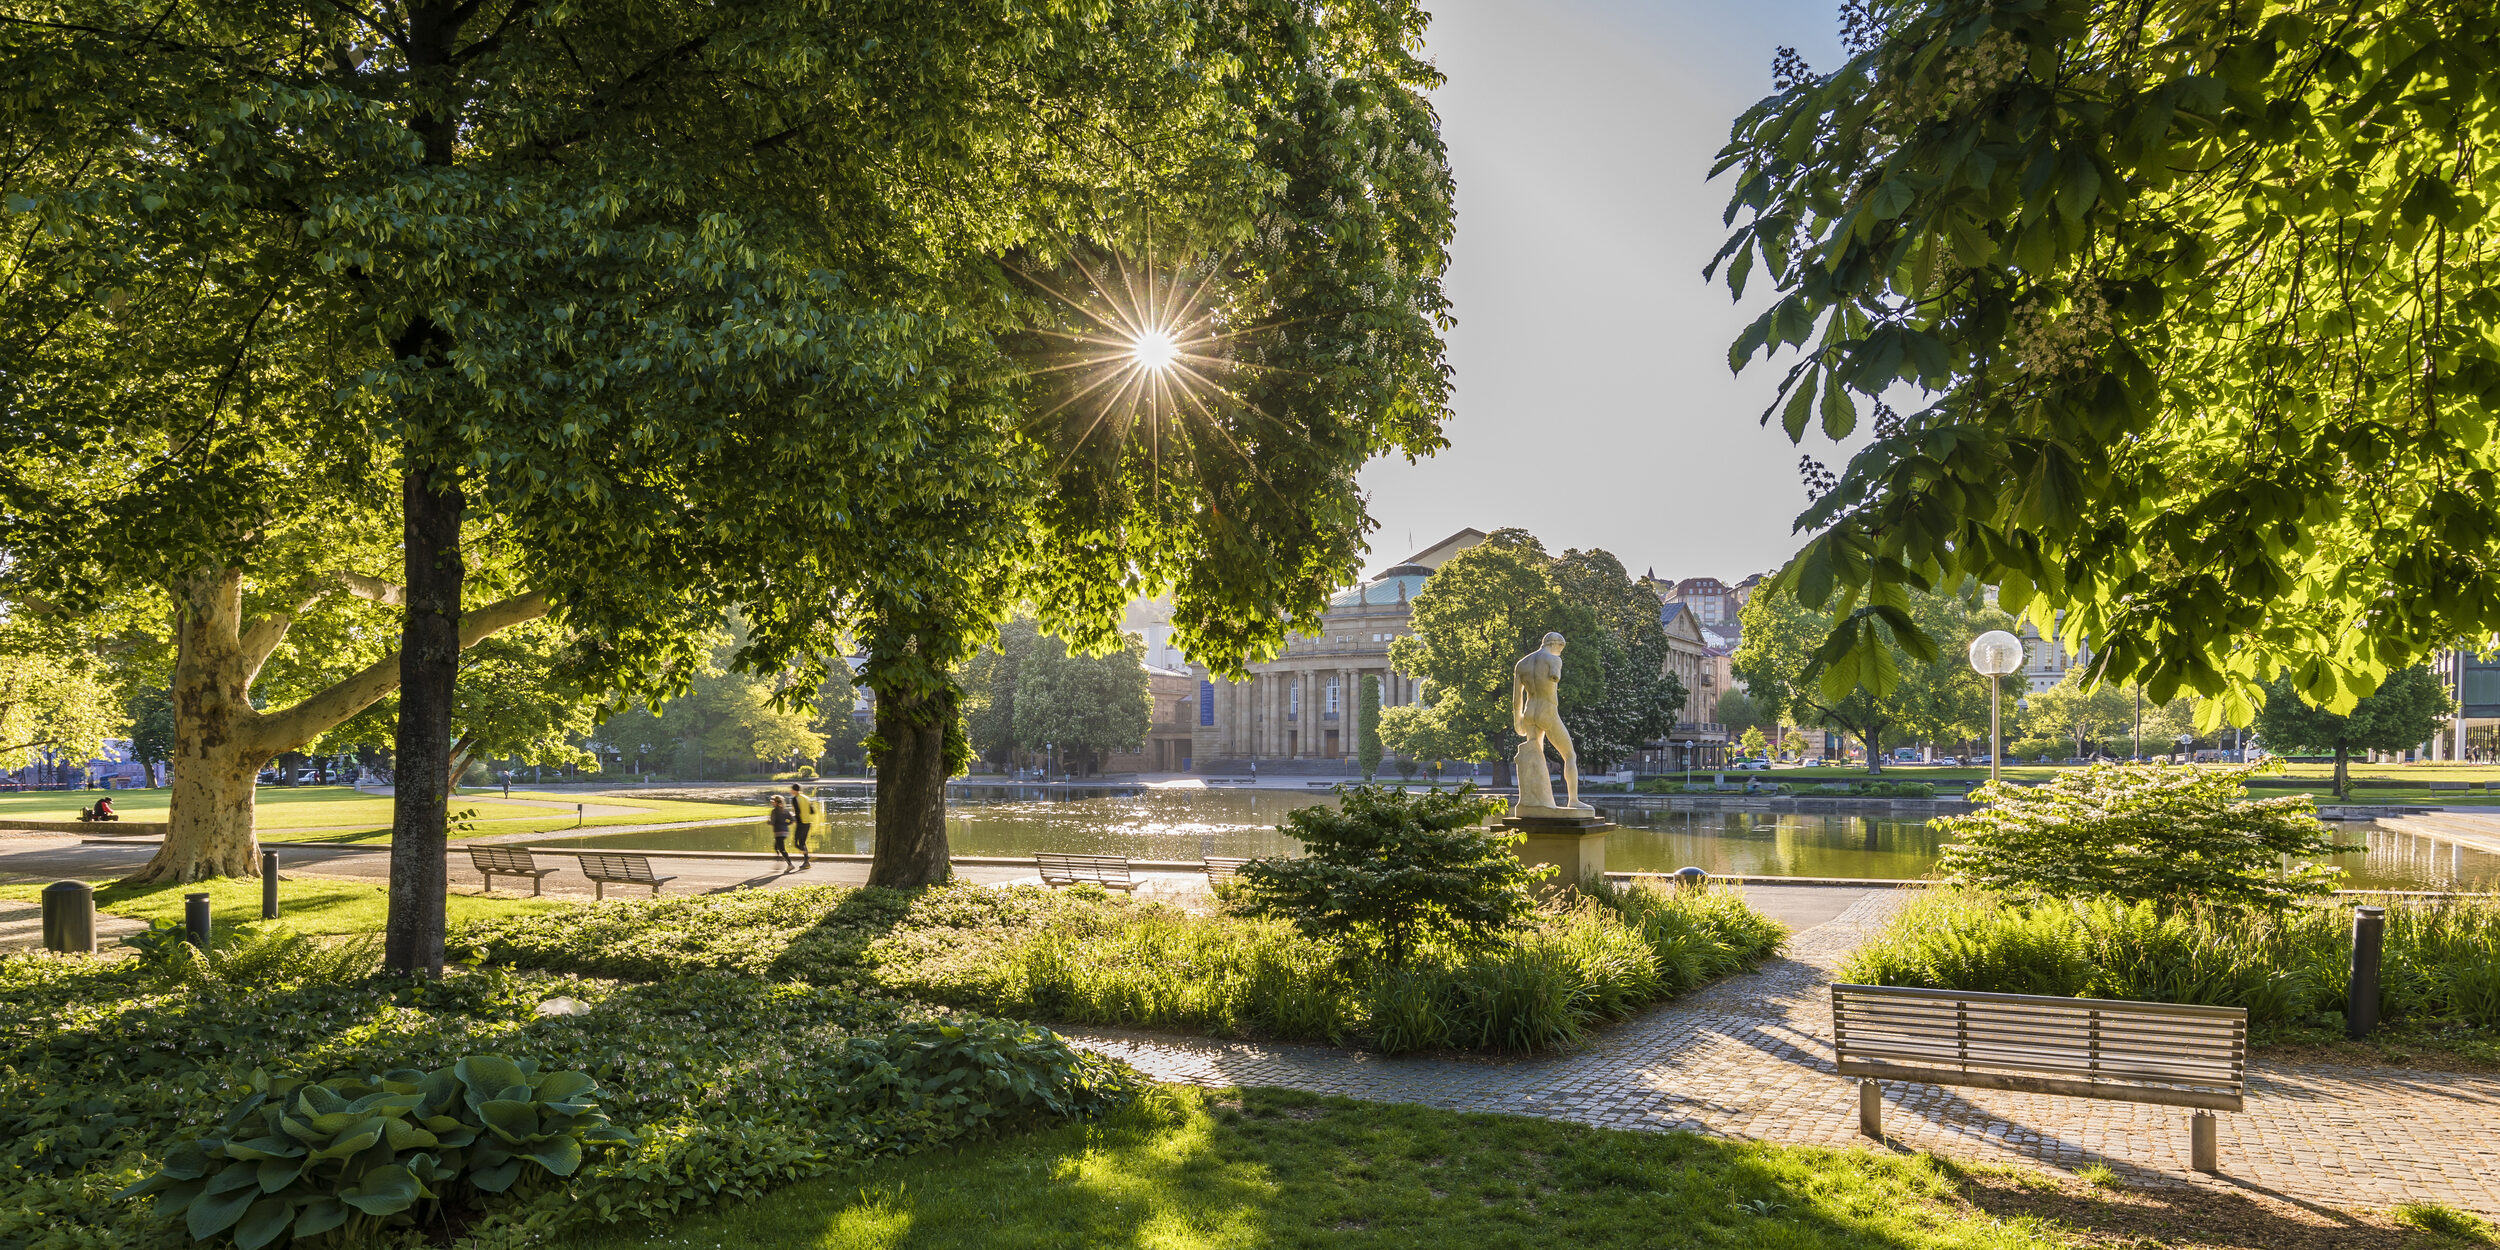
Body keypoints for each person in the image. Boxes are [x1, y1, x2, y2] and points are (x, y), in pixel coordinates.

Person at [786, 783, 815, 869]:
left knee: (796, 843)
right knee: (802, 842)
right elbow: (812, 811)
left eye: (791, 789)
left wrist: (792, 818)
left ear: (794, 790)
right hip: (808, 822)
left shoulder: (795, 799)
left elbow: (797, 813)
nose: (790, 791)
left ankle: (806, 856)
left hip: (801, 823)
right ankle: (806, 862)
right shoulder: (806, 798)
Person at [767, 795, 794, 870]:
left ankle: (790, 864)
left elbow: (772, 822)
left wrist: (768, 822)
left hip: (778, 832)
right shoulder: (785, 810)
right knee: (776, 846)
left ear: (775, 803)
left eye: (773, 802)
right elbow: (792, 820)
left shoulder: (774, 811)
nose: (772, 803)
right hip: (785, 832)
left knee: (781, 849)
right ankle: (780, 857)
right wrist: (786, 824)